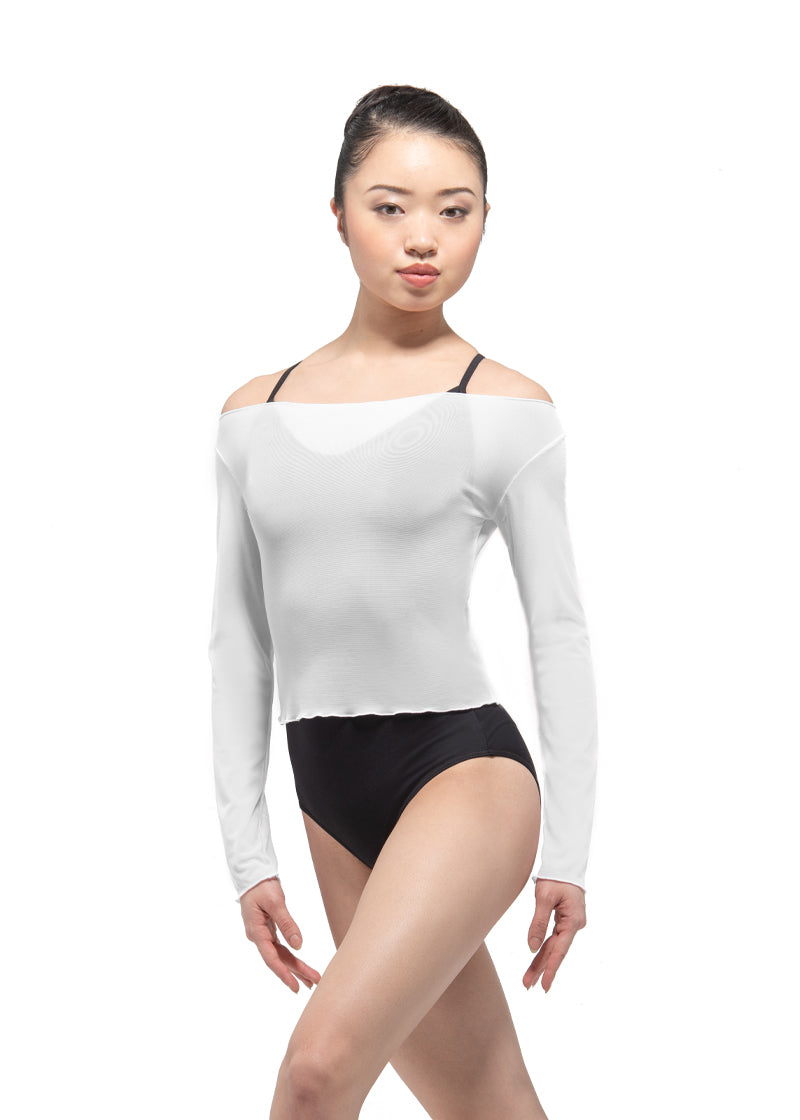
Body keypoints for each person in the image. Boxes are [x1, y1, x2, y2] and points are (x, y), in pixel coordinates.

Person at [208, 84, 598, 1120]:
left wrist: (567, 852)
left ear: (483, 221)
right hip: (326, 787)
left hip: (463, 771)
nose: (423, 238)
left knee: (316, 1073)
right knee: (487, 1102)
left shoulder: (504, 408)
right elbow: (239, 641)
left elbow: (557, 631)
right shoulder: (252, 415)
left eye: (454, 210)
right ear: (338, 213)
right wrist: (248, 851)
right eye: (390, 207)